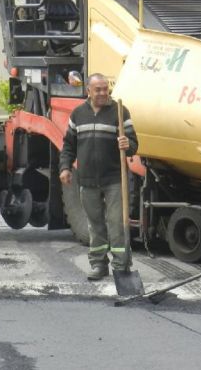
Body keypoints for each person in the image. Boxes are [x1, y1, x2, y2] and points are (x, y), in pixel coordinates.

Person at [59, 73, 138, 280]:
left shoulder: (119, 112)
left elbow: (134, 145)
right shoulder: (78, 114)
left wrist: (127, 145)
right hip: (87, 180)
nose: (103, 93)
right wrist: (65, 167)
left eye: (105, 89)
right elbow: (68, 145)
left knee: (117, 224)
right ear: (89, 91)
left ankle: (121, 267)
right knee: (95, 225)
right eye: (98, 90)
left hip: (114, 180)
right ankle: (98, 265)